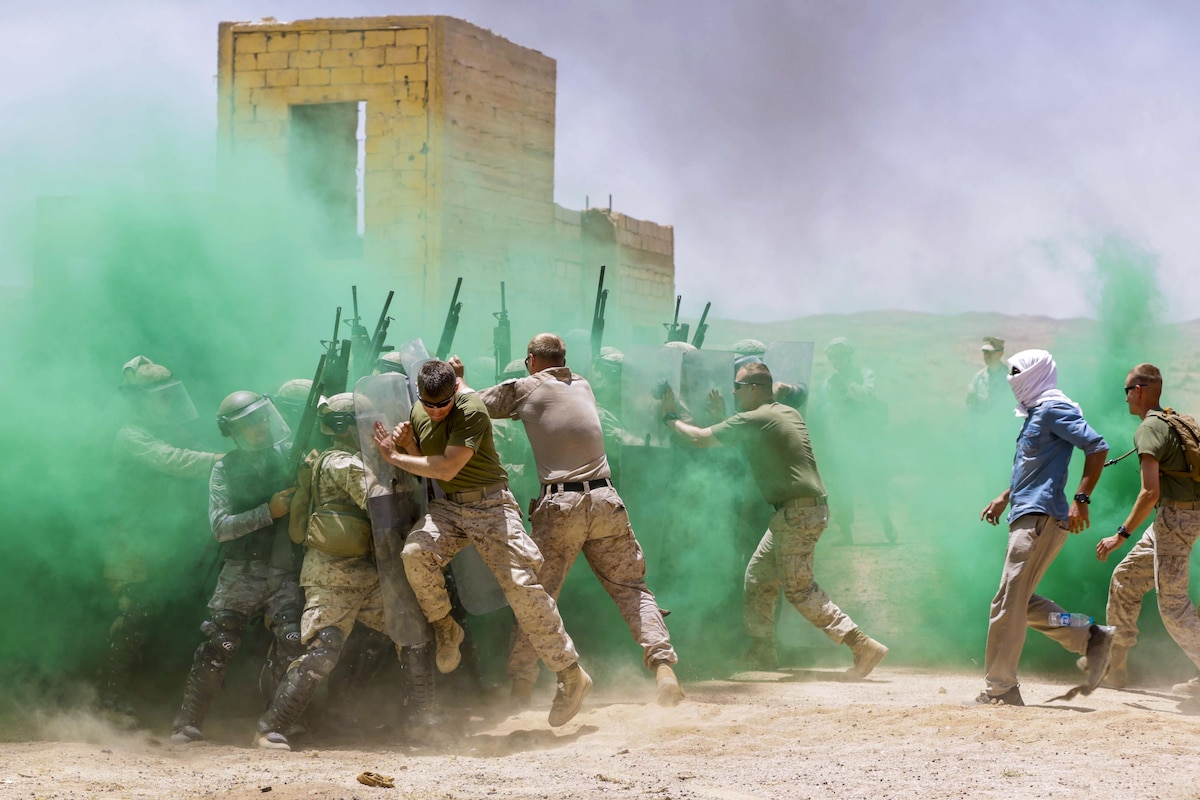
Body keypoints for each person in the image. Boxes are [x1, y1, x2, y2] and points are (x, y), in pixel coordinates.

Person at [455, 334, 685, 708]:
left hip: (561, 504)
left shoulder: (527, 386)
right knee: (633, 589)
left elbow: (471, 405)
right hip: (607, 500)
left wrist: (460, 378)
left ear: (531, 360)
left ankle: (521, 688)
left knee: (536, 599)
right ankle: (663, 669)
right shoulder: (583, 383)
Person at [371, 360, 592, 728]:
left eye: (444, 404)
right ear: (421, 396)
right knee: (415, 554)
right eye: (430, 405)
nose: (438, 411)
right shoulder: (420, 410)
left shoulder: (471, 410)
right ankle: (445, 626)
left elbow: (445, 468)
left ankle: (570, 674)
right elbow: (427, 454)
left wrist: (395, 456)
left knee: (523, 589)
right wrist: (409, 444)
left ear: (454, 391)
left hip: (490, 506)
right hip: (449, 509)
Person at [660, 361, 889, 678]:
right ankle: (762, 652)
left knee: (800, 590)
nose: (733, 392)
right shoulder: (784, 412)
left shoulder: (757, 417)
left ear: (753, 389)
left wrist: (670, 418)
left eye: (738, 387)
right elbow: (755, 429)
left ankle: (862, 645)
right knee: (757, 577)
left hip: (797, 512)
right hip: (794, 511)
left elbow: (699, 438)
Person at [256, 393, 435, 750]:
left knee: (412, 636)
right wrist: (405, 464)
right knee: (323, 650)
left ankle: (422, 725)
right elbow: (379, 500)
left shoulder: (357, 459)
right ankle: (270, 727)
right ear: (346, 427)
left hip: (366, 575)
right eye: (365, 422)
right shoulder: (339, 462)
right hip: (332, 577)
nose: (373, 428)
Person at [975, 349, 1114, 706]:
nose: (1012, 379)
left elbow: (1096, 446)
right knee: (1019, 603)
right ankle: (1090, 637)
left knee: (1007, 604)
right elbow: (1035, 468)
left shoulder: (1053, 408)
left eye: (1019, 372)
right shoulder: (1037, 411)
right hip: (1028, 513)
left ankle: (1000, 689)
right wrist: (1006, 496)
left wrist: (1081, 499)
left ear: (1037, 374)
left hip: (1038, 520)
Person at [171, 391, 303, 744]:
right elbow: (220, 527)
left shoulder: (289, 457)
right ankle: (187, 723)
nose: (260, 428)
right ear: (232, 430)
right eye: (249, 423)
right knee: (220, 644)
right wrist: (269, 512)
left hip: (284, 570)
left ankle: (277, 723)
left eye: (262, 419)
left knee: (292, 641)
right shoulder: (224, 468)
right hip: (242, 570)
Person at [102, 356, 221, 718]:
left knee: (162, 615)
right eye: (161, 396)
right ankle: (111, 702)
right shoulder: (131, 434)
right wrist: (226, 461)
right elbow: (172, 460)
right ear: (139, 400)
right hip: (131, 540)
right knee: (132, 615)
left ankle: (149, 695)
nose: (169, 403)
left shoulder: (171, 429)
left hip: (165, 542)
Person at [1093, 364, 1200, 696]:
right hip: (1175, 518)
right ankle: (1116, 665)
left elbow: (1149, 492)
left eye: (1126, 391)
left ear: (1139, 391)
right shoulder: (1177, 421)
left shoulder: (1150, 429)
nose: (1125, 398)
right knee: (1125, 579)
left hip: (1174, 519)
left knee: (1172, 605)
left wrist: (1119, 535)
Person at [818, 337, 895, 543]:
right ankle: (845, 532)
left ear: (849, 356)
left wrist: (848, 385)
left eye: (841, 356)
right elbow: (828, 408)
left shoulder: (864, 375)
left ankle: (887, 524)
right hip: (842, 441)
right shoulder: (829, 383)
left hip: (867, 439)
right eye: (834, 358)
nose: (838, 361)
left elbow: (868, 395)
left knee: (875, 483)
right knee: (841, 487)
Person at [966, 337, 1009, 413]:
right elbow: (971, 405)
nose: (987, 356)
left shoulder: (1011, 378)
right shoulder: (978, 378)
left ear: (1000, 353)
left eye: (991, 353)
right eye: (985, 352)